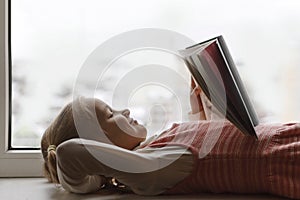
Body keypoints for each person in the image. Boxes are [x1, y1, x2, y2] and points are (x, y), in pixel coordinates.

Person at [41, 78, 300, 199]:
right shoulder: (145, 169)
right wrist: (102, 174)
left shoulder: (157, 148)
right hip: (285, 159)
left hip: (285, 138)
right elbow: (69, 152)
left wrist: (199, 110)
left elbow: (208, 153)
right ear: (100, 146)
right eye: (110, 114)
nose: (126, 110)